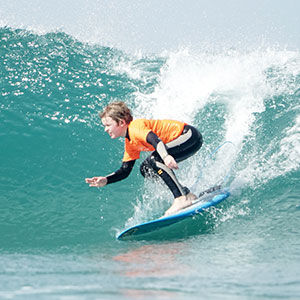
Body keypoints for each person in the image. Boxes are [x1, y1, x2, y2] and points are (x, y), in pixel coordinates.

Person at [85, 101, 203, 216]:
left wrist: (166, 157)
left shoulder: (135, 128)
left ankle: (180, 198)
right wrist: (106, 180)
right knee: (146, 168)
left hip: (189, 136)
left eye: (108, 125)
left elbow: (155, 140)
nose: (106, 129)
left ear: (121, 122)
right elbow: (125, 171)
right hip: (182, 143)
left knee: (155, 159)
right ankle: (186, 194)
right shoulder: (130, 142)